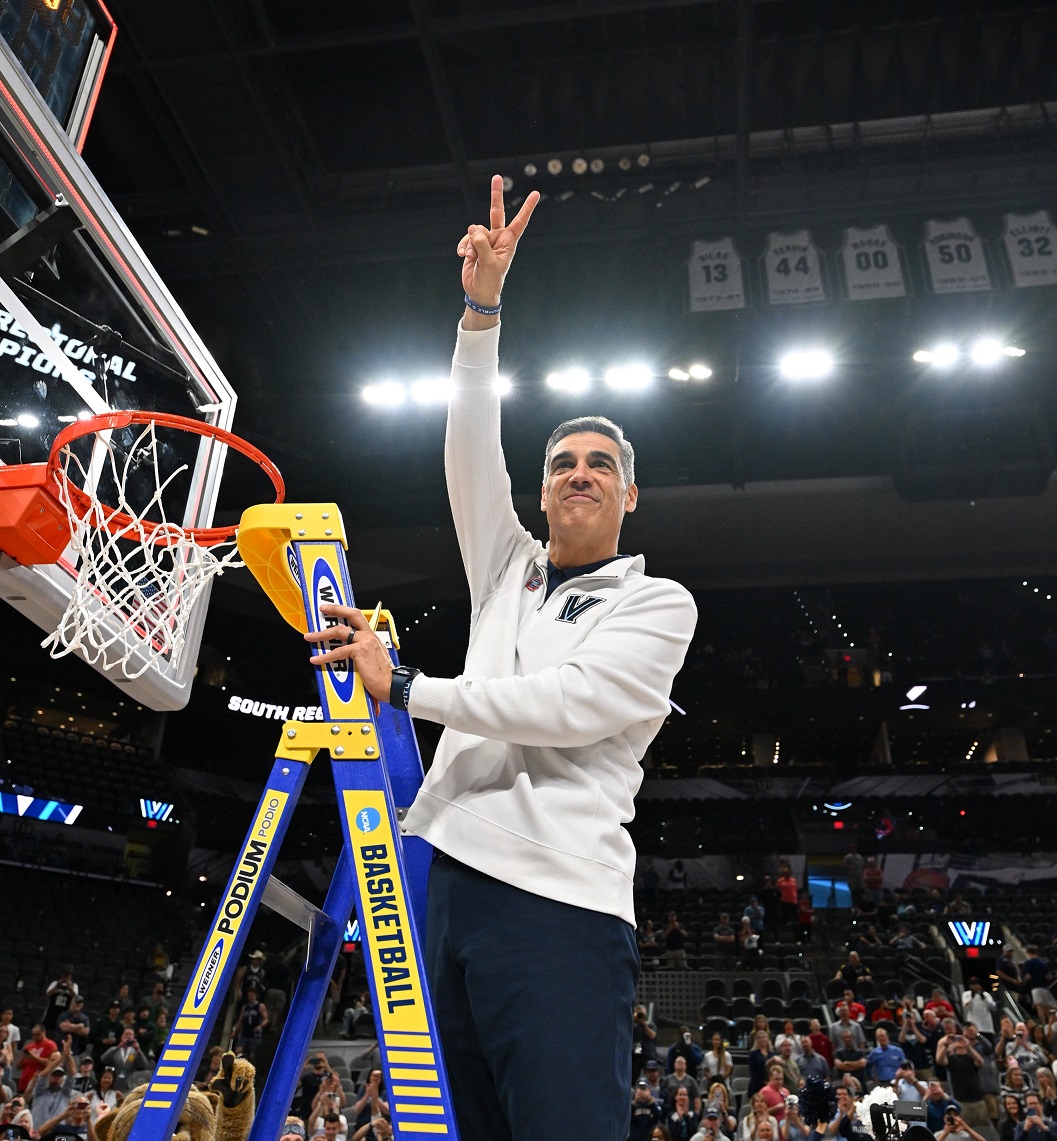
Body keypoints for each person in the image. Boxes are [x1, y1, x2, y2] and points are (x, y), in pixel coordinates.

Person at [307, 176, 696, 1141]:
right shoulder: (506, 568)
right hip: (449, 881)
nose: (577, 473)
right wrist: (481, 313)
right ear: (542, 486)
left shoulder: (656, 603)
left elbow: (567, 701)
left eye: (600, 464)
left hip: (561, 900)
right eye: (563, 461)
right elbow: (467, 446)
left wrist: (408, 686)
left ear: (629, 498)